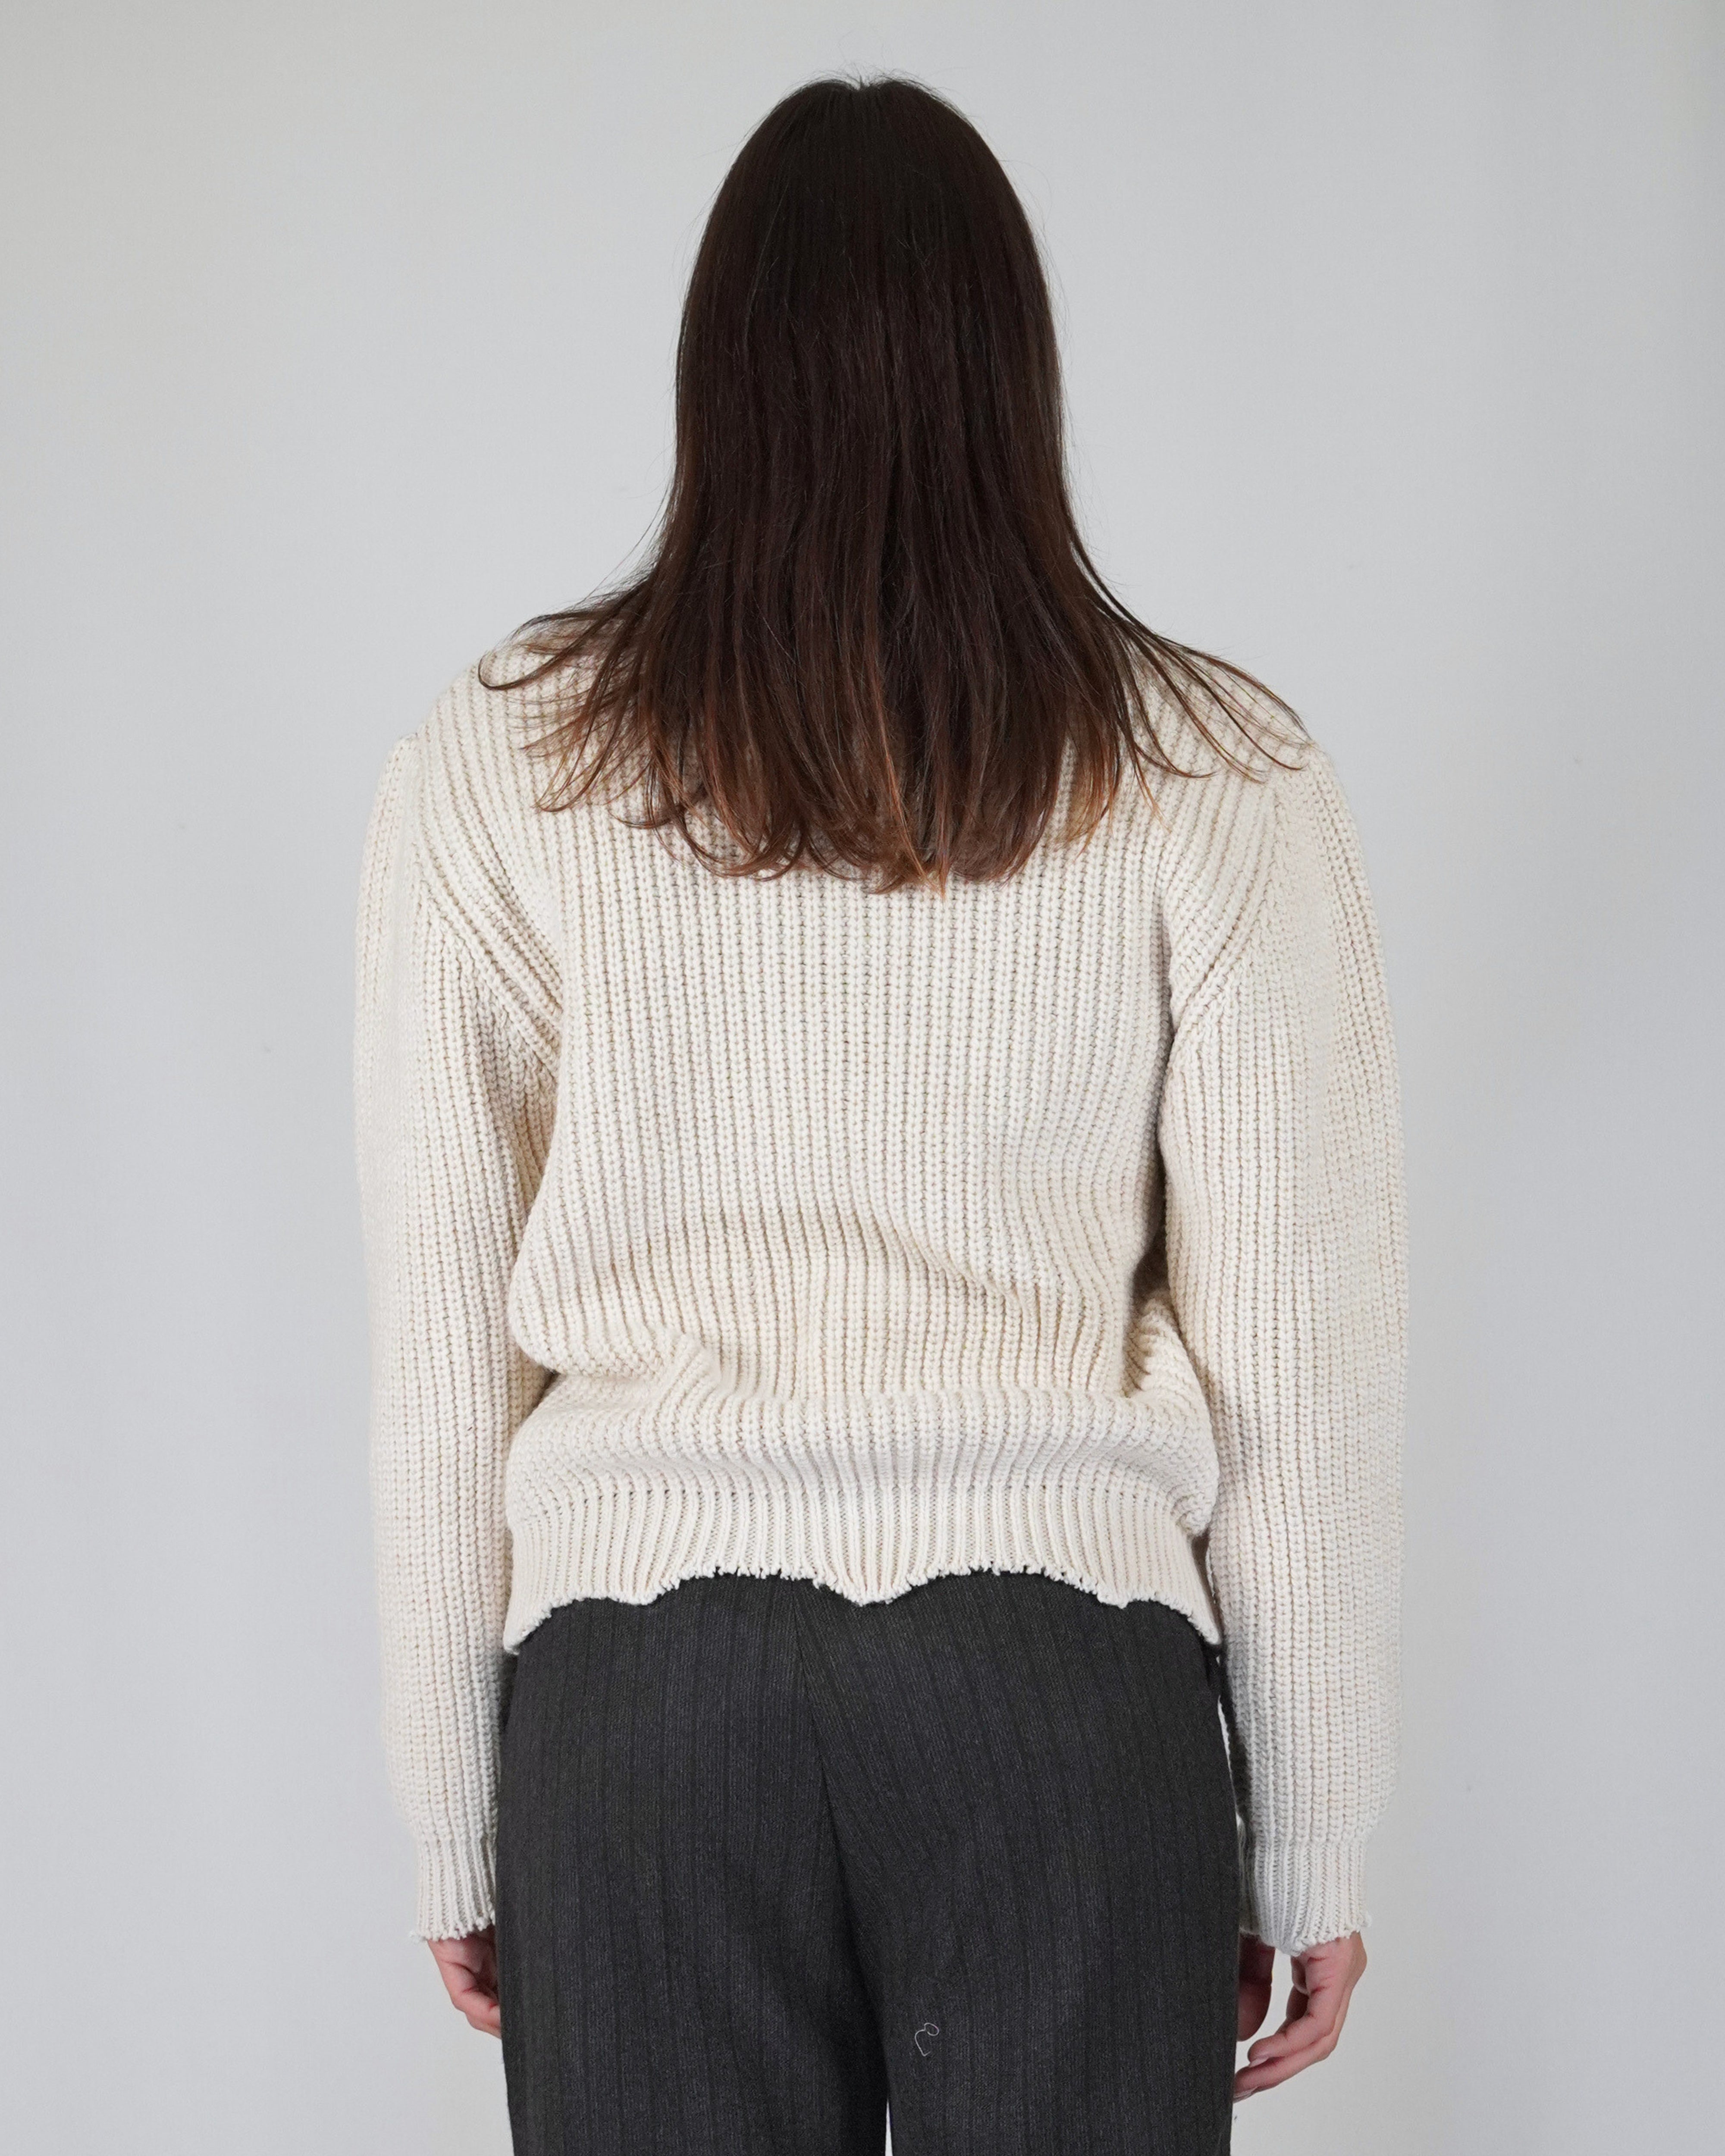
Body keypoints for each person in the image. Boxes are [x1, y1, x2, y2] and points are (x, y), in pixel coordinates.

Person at [354, 72, 1405, 2156]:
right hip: (1059, 1691)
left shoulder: (506, 757)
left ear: (715, 379)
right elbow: (1302, 1350)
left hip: (642, 1719)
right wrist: (1311, 1835)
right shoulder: (1214, 769)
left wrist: (453, 1811)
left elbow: (439, 1331)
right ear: (1011, 377)